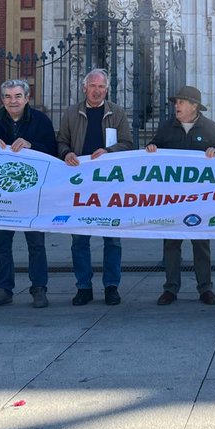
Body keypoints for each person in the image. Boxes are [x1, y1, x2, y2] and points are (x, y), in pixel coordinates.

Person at [0, 79, 59, 309]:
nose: (12, 101)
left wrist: (32, 145)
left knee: (36, 243)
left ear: (27, 97)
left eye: (17, 96)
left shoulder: (41, 121)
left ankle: (39, 288)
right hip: (3, 194)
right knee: (2, 244)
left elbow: (54, 153)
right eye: (7, 97)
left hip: (33, 193)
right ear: (2, 99)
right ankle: (4, 289)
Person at [57, 68, 133, 306]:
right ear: (84, 88)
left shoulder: (117, 113)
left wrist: (109, 152)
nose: (97, 91)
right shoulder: (71, 113)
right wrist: (67, 152)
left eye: (101, 87)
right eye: (93, 86)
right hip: (80, 185)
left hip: (110, 185)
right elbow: (60, 142)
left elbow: (128, 144)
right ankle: (83, 287)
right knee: (80, 238)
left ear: (107, 89)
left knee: (112, 238)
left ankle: (111, 286)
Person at [147, 85, 215, 305]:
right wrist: (151, 147)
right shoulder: (166, 128)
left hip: (201, 199)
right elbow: (153, 147)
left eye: (181, 102)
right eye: (176, 102)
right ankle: (170, 289)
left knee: (201, 243)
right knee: (171, 243)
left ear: (194, 106)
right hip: (172, 199)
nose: (176, 106)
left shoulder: (210, 128)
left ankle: (205, 288)